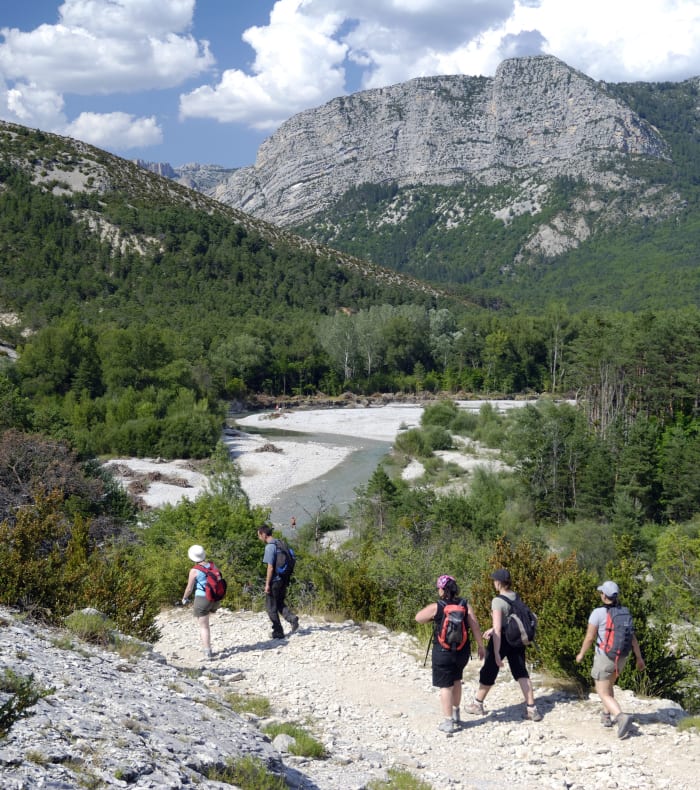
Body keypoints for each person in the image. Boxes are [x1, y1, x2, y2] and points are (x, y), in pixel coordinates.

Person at [466, 569, 542, 721]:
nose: (493, 583)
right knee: (521, 672)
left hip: (503, 641)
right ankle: (532, 709)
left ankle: (477, 704)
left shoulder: (498, 601)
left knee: (488, 671)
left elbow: (499, 629)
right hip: (517, 640)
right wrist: (492, 629)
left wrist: (496, 652)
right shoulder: (515, 596)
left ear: (499, 583)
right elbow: (509, 620)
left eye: (494, 580)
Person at [575, 580, 645, 739]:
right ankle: (607, 715)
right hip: (621, 657)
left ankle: (621, 716)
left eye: (601, 592)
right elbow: (633, 638)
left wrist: (581, 654)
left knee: (601, 691)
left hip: (605, 656)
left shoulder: (598, 613)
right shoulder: (624, 612)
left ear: (604, 596)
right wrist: (639, 658)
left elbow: (589, 637)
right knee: (609, 685)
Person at [415, 574, 485, 733]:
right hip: (462, 651)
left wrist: (433, 618)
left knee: (445, 687)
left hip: (443, 651)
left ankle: (448, 722)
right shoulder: (465, 605)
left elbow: (418, 618)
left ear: (442, 589)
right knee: (457, 680)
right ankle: (456, 714)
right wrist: (481, 646)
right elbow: (475, 626)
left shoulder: (438, 606)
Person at [257, 524, 299, 640]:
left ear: (264, 534)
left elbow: (270, 567)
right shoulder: (280, 543)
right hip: (284, 578)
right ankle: (292, 618)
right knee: (279, 602)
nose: (259, 538)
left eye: (259, 535)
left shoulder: (270, 547)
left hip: (275, 580)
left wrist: (267, 584)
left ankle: (278, 631)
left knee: (270, 607)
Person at [181, 544, 220, 660]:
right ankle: (207, 649)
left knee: (204, 626)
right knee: (206, 624)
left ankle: (207, 651)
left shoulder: (194, 570)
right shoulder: (212, 565)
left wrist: (184, 598)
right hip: (214, 599)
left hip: (202, 599)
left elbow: (189, 588)